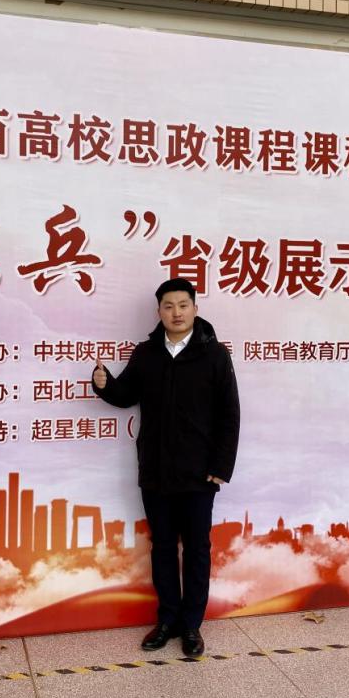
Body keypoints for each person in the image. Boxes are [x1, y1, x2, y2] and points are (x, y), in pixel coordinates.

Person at [91, 278, 240, 657]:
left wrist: (220, 466)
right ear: (159, 311)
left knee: (197, 549)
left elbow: (230, 414)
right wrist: (105, 385)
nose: (176, 313)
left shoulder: (215, 355)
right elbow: (126, 395)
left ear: (195, 309)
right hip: (156, 470)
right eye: (168, 306)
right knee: (162, 547)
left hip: (199, 473)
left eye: (183, 305)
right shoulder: (147, 353)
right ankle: (168, 620)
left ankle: (191, 626)